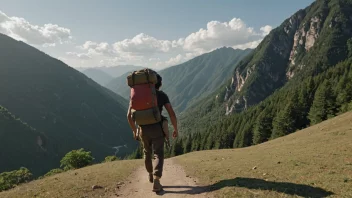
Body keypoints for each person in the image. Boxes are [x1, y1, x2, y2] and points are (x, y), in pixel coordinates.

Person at [127, 73, 179, 192]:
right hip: (157, 128)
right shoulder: (161, 95)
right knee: (158, 154)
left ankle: (150, 173)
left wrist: (134, 131)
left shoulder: (135, 96)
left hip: (142, 129)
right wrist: (175, 129)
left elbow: (129, 116)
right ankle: (156, 180)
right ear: (159, 84)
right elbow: (171, 112)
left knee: (147, 152)